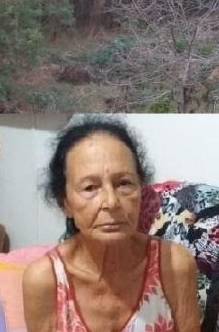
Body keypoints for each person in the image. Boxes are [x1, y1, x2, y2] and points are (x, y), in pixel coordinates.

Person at [22, 117, 200, 332]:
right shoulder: (44, 279)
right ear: (65, 203)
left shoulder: (174, 263)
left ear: (141, 192)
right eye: (90, 188)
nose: (111, 202)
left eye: (124, 183)